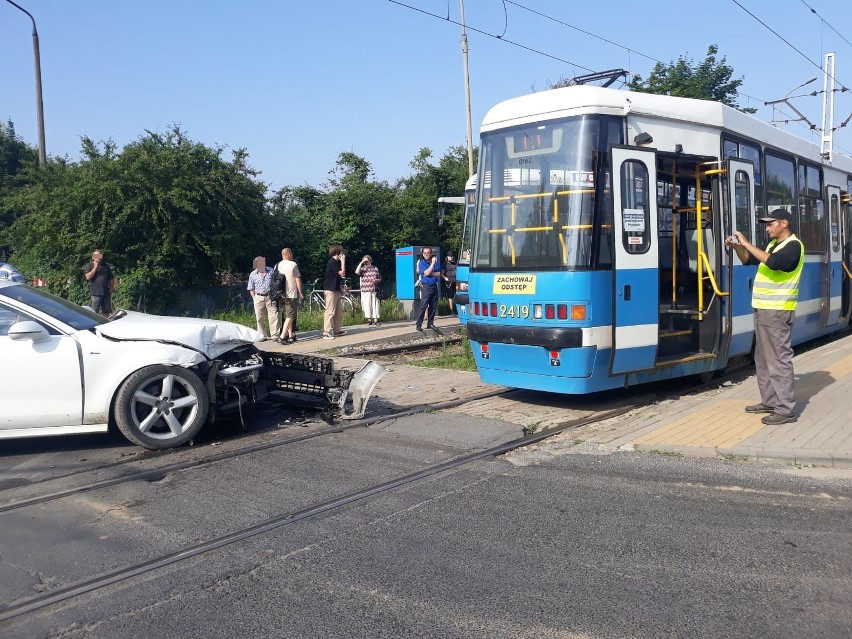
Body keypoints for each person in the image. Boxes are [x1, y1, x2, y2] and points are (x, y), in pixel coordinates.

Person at [725, 209, 804, 425]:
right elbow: (748, 260)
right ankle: (770, 401)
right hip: (763, 309)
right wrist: (738, 246)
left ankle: (785, 409)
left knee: (779, 359)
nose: (767, 227)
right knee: (762, 358)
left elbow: (775, 263)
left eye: (771, 224)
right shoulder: (772, 245)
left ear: (784, 223)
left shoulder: (793, 246)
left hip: (777, 311)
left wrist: (747, 242)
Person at [274, 248, 303, 344]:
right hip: (291, 294)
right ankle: (282, 337)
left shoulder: (277, 265)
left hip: (280, 294)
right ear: (289, 254)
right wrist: (300, 293)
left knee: (286, 315)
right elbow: (297, 279)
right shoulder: (293, 264)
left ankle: (290, 336)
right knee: (291, 315)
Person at [247, 256, 280, 341]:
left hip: (270, 296)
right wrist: (254, 298)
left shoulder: (271, 271)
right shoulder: (253, 274)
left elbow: (275, 283)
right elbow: (251, 287)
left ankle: (275, 335)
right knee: (259, 317)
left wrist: (275, 294)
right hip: (258, 296)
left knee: (273, 315)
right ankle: (262, 335)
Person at [322, 244, 346, 340]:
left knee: (338, 311)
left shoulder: (336, 262)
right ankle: (326, 332)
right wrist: (343, 261)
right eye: (341, 252)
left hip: (336, 289)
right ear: (337, 253)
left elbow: (338, 277)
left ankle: (337, 330)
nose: (343, 254)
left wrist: (340, 289)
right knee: (330, 311)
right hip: (330, 290)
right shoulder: (332, 262)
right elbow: (342, 273)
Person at [414, 246, 440, 331]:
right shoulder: (421, 263)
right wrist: (432, 264)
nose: (426, 255)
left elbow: (439, 273)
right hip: (426, 286)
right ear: (422, 254)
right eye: (424, 253)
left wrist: (429, 272)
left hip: (434, 285)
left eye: (428, 253)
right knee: (424, 305)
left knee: (433, 305)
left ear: (431, 253)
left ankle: (430, 323)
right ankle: (419, 324)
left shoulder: (436, 263)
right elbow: (426, 273)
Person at [83, 250, 115, 317]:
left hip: (106, 292)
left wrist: (112, 288)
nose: (98, 257)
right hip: (96, 293)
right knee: (94, 312)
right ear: (93, 257)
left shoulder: (105, 266)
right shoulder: (89, 265)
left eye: (99, 255)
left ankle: (106, 324)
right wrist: (95, 266)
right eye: (96, 256)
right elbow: (88, 277)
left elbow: (111, 278)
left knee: (106, 311)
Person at [355, 255, 382, 326]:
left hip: (374, 289)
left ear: (370, 260)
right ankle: (369, 319)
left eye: (367, 261)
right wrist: (361, 262)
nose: (366, 262)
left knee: (375, 304)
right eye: (364, 261)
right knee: (366, 304)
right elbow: (356, 272)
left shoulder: (375, 268)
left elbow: (379, 278)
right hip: (365, 289)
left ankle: (375, 319)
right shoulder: (362, 269)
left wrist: (376, 280)